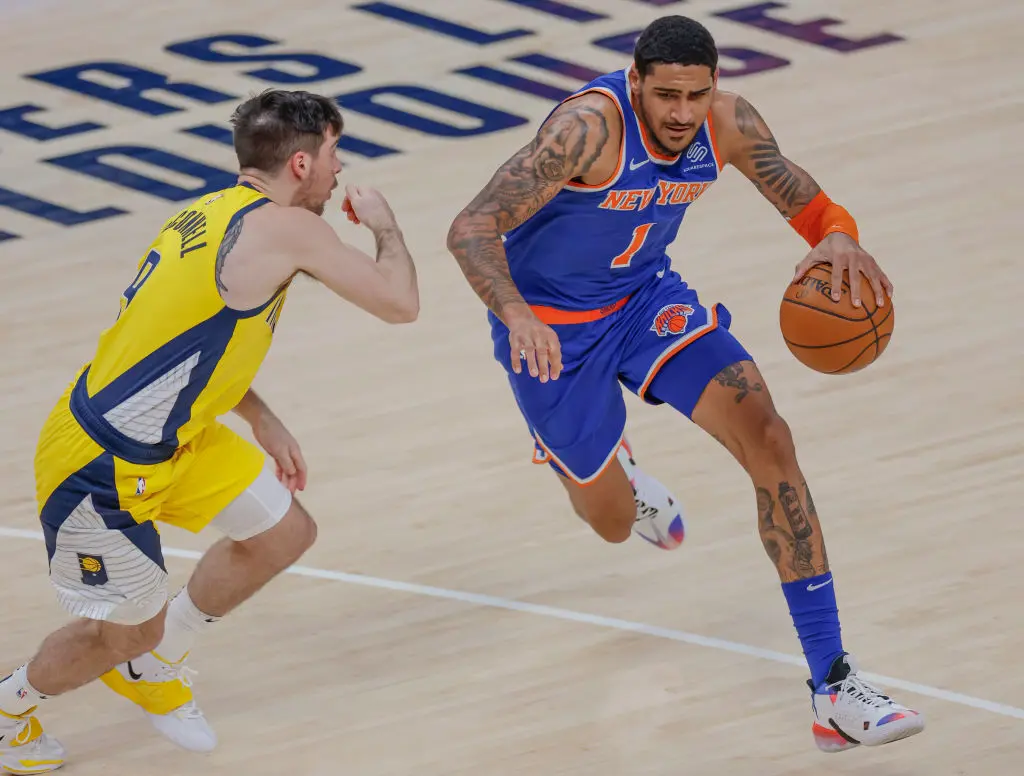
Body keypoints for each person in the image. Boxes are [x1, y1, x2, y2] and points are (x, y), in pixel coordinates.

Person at [446, 15, 924, 753]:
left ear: (714, 89)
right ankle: (621, 475)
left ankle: (832, 685)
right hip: (550, 330)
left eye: (694, 96)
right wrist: (514, 315)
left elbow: (810, 204)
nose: (679, 113)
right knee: (606, 520)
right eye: (665, 94)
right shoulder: (585, 133)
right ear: (635, 82)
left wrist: (838, 234)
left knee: (771, 438)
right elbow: (471, 226)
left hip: (647, 302)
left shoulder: (727, 123)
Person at [0, 89, 419, 773]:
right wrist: (386, 226)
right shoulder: (292, 229)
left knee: (284, 531)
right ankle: (9, 710)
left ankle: (156, 665)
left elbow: (183, 340)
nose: (342, 172)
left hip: (170, 435)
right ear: (304, 162)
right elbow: (401, 304)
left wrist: (261, 414)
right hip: (102, 465)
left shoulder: (201, 214)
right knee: (120, 635)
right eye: (336, 155)